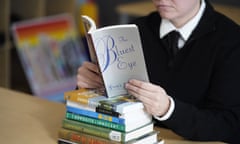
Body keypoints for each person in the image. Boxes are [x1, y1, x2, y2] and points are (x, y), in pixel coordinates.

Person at [77, 0, 240, 143]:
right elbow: (115, 105)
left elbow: (228, 124)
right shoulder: (135, 31)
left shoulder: (231, 40)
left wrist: (168, 109)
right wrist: (91, 87)